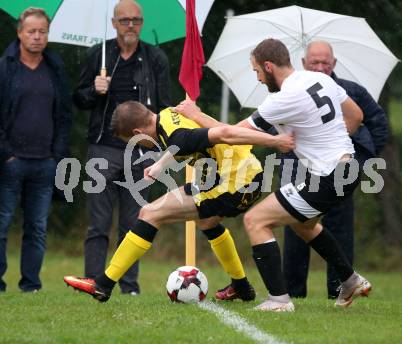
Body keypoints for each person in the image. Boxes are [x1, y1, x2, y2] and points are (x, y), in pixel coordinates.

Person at [176, 38, 372, 312]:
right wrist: (333, 143)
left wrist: (196, 114)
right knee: (302, 224)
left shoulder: (283, 98)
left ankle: (279, 300)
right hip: (348, 167)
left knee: (256, 220)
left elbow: (233, 135)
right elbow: (357, 114)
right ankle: (350, 280)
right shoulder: (319, 78)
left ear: (268, 66)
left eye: (257, 71)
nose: (257, 78)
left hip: (330, 176)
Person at [63, 101, 294, 302]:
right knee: (206, 222)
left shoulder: (175, 134)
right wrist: (160, 164)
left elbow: (225, 133)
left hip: (235, 183)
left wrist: (275, 142)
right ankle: (241, 287)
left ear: (136, 132)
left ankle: (103, 284)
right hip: (233, 176)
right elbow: (180, 143)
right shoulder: (165, 117)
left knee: (150, 213)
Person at [73, 0, 171, 295]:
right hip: (103, 147)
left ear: (142, 24)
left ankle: (128, 287)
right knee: (98, 223)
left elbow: (164, 108)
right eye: (125, 20)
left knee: (134, 222)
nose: (131, 26)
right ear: (114, 23)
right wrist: (94, 90)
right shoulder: (98, 54)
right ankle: (92, 281)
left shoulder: (155, 58)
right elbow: (77, 99)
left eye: (136, 20)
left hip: (142, 150)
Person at [282, 40, 389, 299]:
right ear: (304, 63)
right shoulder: (287, 92)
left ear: (334, 64)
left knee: (340, 231)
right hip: (298, 170)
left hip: (341, 172)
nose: (320, 67)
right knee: (295, 225)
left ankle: (340, 289)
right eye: (314, 62)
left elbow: (379, 126)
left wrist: (362, 161)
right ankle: (293, 292)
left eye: (325, 63)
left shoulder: (353, 92)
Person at [0, 7, 71, 292]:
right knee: (2, 225)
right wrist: (6, 154)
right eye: (31, 31)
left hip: (45, 163)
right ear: (19, 33)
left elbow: (64, 116)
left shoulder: (55, 70)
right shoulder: (5, 68)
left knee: (37, 228)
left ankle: (31, 284)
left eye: (42, 31)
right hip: (9, 162)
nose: (37, 37)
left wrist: (57, 155)